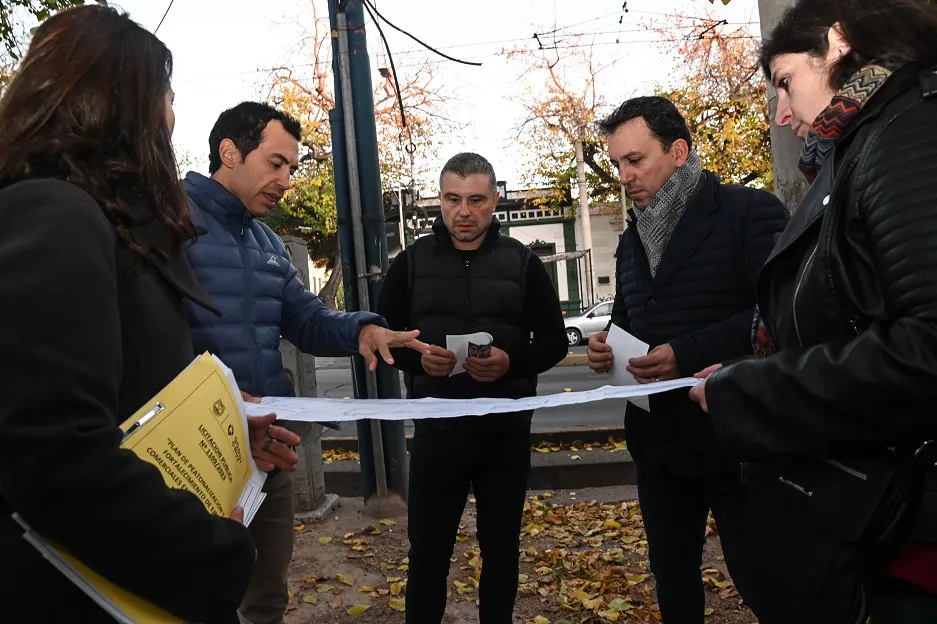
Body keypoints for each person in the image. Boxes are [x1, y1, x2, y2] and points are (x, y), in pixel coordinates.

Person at [0, 6, 299, 623]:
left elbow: (125, 389)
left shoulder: (107, 221)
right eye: (164, 95)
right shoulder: (54, 214)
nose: (170, 117)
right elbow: (53, 454)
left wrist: (223, 430)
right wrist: (211, 548)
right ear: (119, 100)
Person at [688, 1, 937, 622]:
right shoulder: (868, 142)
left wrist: (752, 386)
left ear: (837, 42)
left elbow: (927, 348)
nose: (783, 114)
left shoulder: (907, 133)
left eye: (784, 83)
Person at [182, 101, 429, 624]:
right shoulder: (169, 223)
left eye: (292, 168)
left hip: (267, 454)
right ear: (229, 152)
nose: (287, 180)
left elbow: (309, 321)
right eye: (276, 163)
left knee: (267, 597)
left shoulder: (268, 241)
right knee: (194, 597)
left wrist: (361, 327)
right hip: (192, 454)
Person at [586, 96, 788, 622]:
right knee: (673, 579)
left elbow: (780, 316)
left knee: (768, 579)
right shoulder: (632, 240)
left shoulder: (750, 212)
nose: (625, 176)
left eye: (635, 160)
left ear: (678, 152)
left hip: (738, 441)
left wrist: (687, 353)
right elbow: (628, 319)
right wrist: (605, 345)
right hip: (660, 449)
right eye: (616, 165)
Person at [378, 152, 567, 623]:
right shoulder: (411, 263)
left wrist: (510, 362)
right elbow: (384, 339)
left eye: (476, 200)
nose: (463, 211)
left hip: (504, 433)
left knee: (502, 552)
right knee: (427, 555)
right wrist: (419, 357)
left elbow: (555, 343)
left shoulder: (523, 263)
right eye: (452, 199)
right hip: (436, 434)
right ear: (438, 200)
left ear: (495, 200)